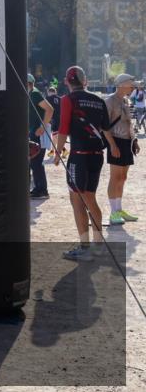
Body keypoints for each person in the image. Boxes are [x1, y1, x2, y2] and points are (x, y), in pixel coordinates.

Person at [53, 66, 121, 261]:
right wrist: (113, 145)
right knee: (90, 197)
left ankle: (85, 248)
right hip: (96, 155)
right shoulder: (98, 100)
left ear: (67, 82)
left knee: (78, 200)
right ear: (85, 81)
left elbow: (63, 127)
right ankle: (98, 246)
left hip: (79, 155)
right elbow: (106, 128)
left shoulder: (68, 100)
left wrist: (58, 152)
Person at [104, 73, 139, 225]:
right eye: (131, 84)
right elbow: (104, 126)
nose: (133, 87)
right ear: (123, 84)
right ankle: (113, 212)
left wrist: (134, 140)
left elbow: (129, 124)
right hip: (116, 141)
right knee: (115, 177)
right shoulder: (110, 100)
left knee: (123, 177)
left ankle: (119, 209)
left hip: (126, 142)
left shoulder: (126, 100)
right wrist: (112, 145)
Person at [27, 74, 54, 200]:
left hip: (38, 132)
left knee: (36, 162)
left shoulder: (35, 94)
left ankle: (42, 189)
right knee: (34, 162)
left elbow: (50, 109)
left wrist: (42, 127)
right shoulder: (31, 94)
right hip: (33, 132)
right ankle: (38, 188)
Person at [45, 86, 63, 157]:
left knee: (55, 136)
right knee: (56, 136)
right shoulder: (60, 99)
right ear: (55, 92)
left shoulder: (48, 98)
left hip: (52, 119)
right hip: (60, 119)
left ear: (49, 92)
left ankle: (60, 151)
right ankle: (54, 151)